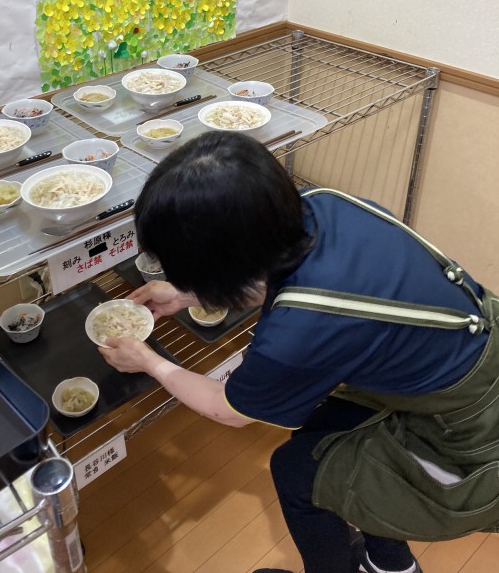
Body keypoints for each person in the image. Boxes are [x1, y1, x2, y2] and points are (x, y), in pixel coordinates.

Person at [97, 130, 499, 573]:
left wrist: (149, 361)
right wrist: (188, 292)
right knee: (323, 435)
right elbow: (274, 279)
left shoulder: (296, 334)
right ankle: (391, 565)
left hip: (472, 441)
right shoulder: (323, 204)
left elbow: (226, 409)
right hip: (465, 357)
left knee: (294, 472)